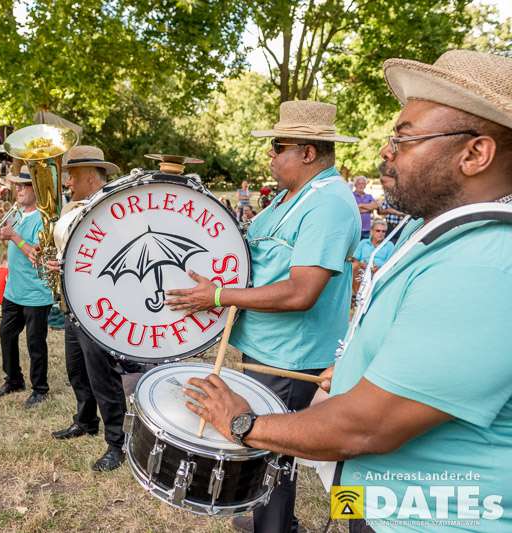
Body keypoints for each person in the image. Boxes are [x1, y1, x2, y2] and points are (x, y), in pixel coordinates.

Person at [184, 49, 512, 533]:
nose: (386, 151)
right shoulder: (445, 234)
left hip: (431, 518)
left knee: (275, 471)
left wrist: (243, 424)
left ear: (475, 154)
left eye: (404, 137)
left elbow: (367, 426)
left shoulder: (487, 264)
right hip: (381, 501)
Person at [167, 100, 361, 533]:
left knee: (271, 450)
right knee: (259, 445)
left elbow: (301, 291)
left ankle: (273, 527)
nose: (270, 156)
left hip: (291, 356)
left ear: (308, 152)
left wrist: (217, 294)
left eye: (278, 146)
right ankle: (269, 520)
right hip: (266, 348)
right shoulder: (294, 196)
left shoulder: (327, 204)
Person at [47, 145, 127, 471]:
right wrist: (59, 264)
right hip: (71, 301)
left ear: (91, 177)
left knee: (101, 375)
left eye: (73, 176)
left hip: (97, 305)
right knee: (76, 368)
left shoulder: (112, 208)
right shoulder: (72, 207)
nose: (67, 182)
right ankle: (85, 420)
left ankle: (116, 442)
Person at [0, 165, 52, 408]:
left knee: (35, 343)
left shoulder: (44, 219)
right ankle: (13, 379)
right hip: (13, 290)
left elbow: (37, 255)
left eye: (25, 185)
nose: (19, 189)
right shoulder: (15, 213)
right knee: (6, 335)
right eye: (17, 184)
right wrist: (4, 233)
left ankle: (40, 388)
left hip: (36, 292)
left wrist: (14, 236)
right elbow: (6, 243)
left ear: (36, 188)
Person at [377, 174, 407, 244]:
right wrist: (388, 210)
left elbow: (410, 213)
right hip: (389, 226)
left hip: (401, 226)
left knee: (399, 245)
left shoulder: (406, 198)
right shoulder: (388, 197)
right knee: (387, 244)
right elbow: (380, 212)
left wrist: (397, 213)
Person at [352, 175, 378, 239]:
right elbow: (353, 210)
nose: (361, 185)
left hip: (367, 229)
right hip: (355, 229)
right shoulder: (351, 196)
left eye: (363, 183)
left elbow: (375, 206)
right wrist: (369, 209)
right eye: (359, 183)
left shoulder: (369, 196)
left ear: (365, 185)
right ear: (355, 185)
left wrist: (361, 205)